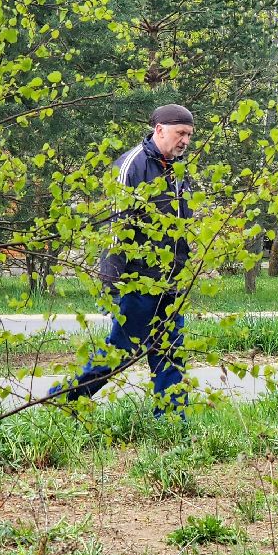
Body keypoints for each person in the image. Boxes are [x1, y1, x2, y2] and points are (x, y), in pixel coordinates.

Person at [48, 104, 195, 418]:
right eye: (180, 133)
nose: (185, 141)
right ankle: (63, 397)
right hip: (136, 283)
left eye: (189, 135)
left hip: (170, 283)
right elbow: (116, 230)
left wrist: (182, 271)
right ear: (159, 130)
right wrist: (111, 286)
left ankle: (172, 420)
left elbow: (181, 228)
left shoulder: (180, 171)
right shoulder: (132, 165)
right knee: (119, 353)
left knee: (170, 352)